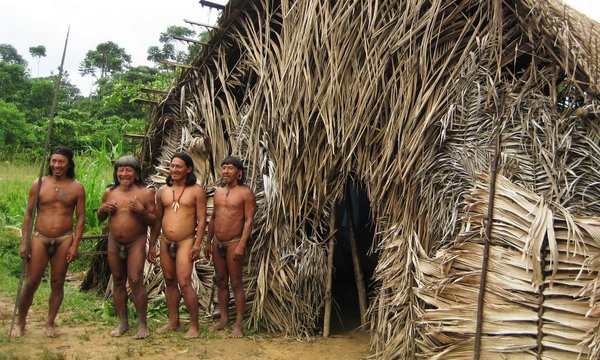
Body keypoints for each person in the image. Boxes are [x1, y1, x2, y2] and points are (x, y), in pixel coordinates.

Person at [12, 146, 86, 338]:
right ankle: (20, 322)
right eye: (53, 161)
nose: (56, 165)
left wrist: (75, 245)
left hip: (63, 239)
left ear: (69, 164)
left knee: (57, 281)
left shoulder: (77, 187)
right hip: (40, 237)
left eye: (61, 161)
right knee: (31, 282)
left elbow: (81, 219)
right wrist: (24, 241)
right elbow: (29, 214)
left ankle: (50, 322)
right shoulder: (39, 183)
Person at [97, 156, 156, 339]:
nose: (124, 174)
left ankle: (142, 324)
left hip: (136, 241)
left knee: (136, 279)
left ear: (136, 174)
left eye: (128, 170)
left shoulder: (146, 193)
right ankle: (122, 322)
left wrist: (142, 211)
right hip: (114, 241)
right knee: (118, 280)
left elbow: (154, 221)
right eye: (120, 170)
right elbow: (99, 218)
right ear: (116, 173)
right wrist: (104, 209)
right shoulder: (109, 192)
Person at [150, 152, 207, 339]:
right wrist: (152, 244)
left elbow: (202, 220)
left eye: (178, 166)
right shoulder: (162, 191)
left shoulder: (197, 191)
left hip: (186, 241)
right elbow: (158, 220)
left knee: (184, 281)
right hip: (166, 241)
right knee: (169, 280)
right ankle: (173, 321)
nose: (174, 169)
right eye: (172, 166)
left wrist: (197, 245)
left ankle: (194, 326)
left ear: (188, 169)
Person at [204, 156, 256, 338]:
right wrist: (208, 242)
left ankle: (239, 324)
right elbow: (214, 218)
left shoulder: (245, 193)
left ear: (239, 173)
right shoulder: (218, 192)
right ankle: (224, 319)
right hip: (218, 242)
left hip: (234, 242)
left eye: (230, 168)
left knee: (236, 282)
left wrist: (242, 243)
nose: (225, 171)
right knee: (220, 280)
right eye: (223, 167)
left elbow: (249, 220)